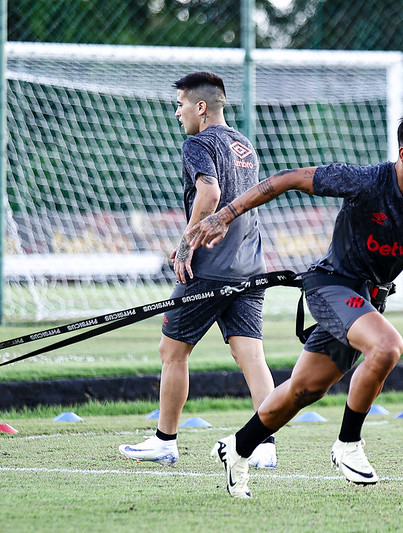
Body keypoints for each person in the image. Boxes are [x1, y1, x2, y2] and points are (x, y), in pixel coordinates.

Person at [185, 110, 403, 498]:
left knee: (303, 391)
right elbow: (289, 179)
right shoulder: (365, 181)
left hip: (369, 298)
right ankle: (347, 444)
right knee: (387, 346)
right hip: (331, 286)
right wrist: (225, 215)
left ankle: (237, 448)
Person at [119, 71, 278, 468]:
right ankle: (265, 446)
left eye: (181, 104)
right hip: (250, 265)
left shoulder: (198, 143)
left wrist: (185, 245)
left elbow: (209, 194)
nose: (178, 113)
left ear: (201, 107)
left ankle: (165, 442)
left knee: (172, 350)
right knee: (251, 356)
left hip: (210, 268)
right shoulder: (244, 145)